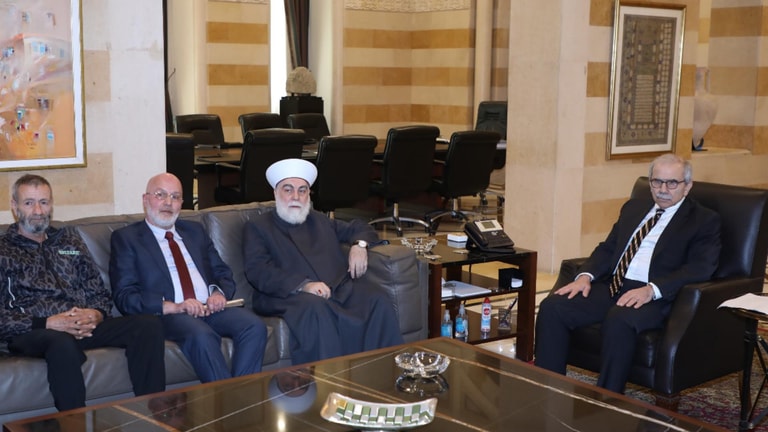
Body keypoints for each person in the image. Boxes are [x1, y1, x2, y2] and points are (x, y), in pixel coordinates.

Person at [534, 153, 722, 393]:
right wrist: (585, 276)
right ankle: (548, 391)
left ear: (687, 186)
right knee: (553, 307)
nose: (663, 189)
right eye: (657, 181)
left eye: (672, 183)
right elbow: (608, 247)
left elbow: (701, 267)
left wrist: (651, 290)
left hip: (655, 296)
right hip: (614, 285)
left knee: (619, 319)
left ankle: (607, 400)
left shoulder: (703, 220)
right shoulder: (634, 208)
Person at [0, 174, 166, 411]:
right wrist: (48, 323)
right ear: (15, 207)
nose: (38, 210)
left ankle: (154, 413)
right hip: (33, 332)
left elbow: (98, 291)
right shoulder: (4, 250)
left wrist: (96, 314)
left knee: (147, 326)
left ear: (51, 205)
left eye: (44, 202)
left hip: (81, 325)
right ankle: (75, 421)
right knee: (61, 342)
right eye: (29, 203)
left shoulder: (68, 242)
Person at [110, 173, 267, 382]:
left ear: (182, 203)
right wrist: (174, 307)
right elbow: (125, 295)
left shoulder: (195, 231)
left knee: (254, 326)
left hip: (209, 308)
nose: (168, 202)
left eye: (175, 197)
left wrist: (217, 293)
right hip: (170, 315)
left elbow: (221, 271)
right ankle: (228, 397)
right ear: (145, 200)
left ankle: (243, 392)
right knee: (201, 335)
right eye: (160, 195)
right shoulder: (127, 238)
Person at [243, 158, 403, 364]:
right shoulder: (258, 226)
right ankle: (330, 378)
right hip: (286, 294)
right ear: (275, 193)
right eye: (288, 190)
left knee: (377, 298)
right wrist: (303, 285)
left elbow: (359, 228)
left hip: (335, 288)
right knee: (316, 310)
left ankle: (384, 369)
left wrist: (360, 245)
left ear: (308, 195)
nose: (295, 197)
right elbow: (258, 270)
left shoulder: (317, 219)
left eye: (302, 191)